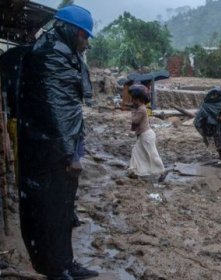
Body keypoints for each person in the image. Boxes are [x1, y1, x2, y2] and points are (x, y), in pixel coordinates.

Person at [18, 5, 98, 280]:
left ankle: (65, 262)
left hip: (57, 148)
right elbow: (57, 112)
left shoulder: (61, 53)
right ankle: (54, 268)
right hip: (49, 151)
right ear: (72, 31)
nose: (86, 43)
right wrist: (70, 154)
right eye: (84, 37)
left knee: (63, 208)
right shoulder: (50, 55)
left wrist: (75, 148)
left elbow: (68, 109)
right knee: (48, 209)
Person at [128, 84, 165, 178]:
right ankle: (134, 171)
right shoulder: (140, 108)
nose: (133, 101)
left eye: (134, 99)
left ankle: (161, 171)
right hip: (143, 135)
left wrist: (132, 111)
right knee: (136, 152)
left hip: (146, 136)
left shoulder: (141, 109)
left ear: (140, 99)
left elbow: (135, 120)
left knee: (152, 154)